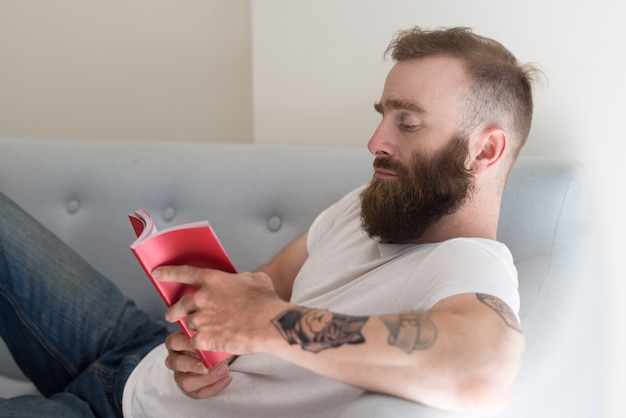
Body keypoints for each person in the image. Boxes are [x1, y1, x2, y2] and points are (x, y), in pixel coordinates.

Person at [0, 26, 539, 417]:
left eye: (409, 123)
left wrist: (266, 325)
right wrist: (209, 339)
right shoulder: (372, 202)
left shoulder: (469, 264)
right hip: (135, 347)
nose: (377, 141)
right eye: (381, 115)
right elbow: (272, 280)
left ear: (485, 150)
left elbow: (482, 370)